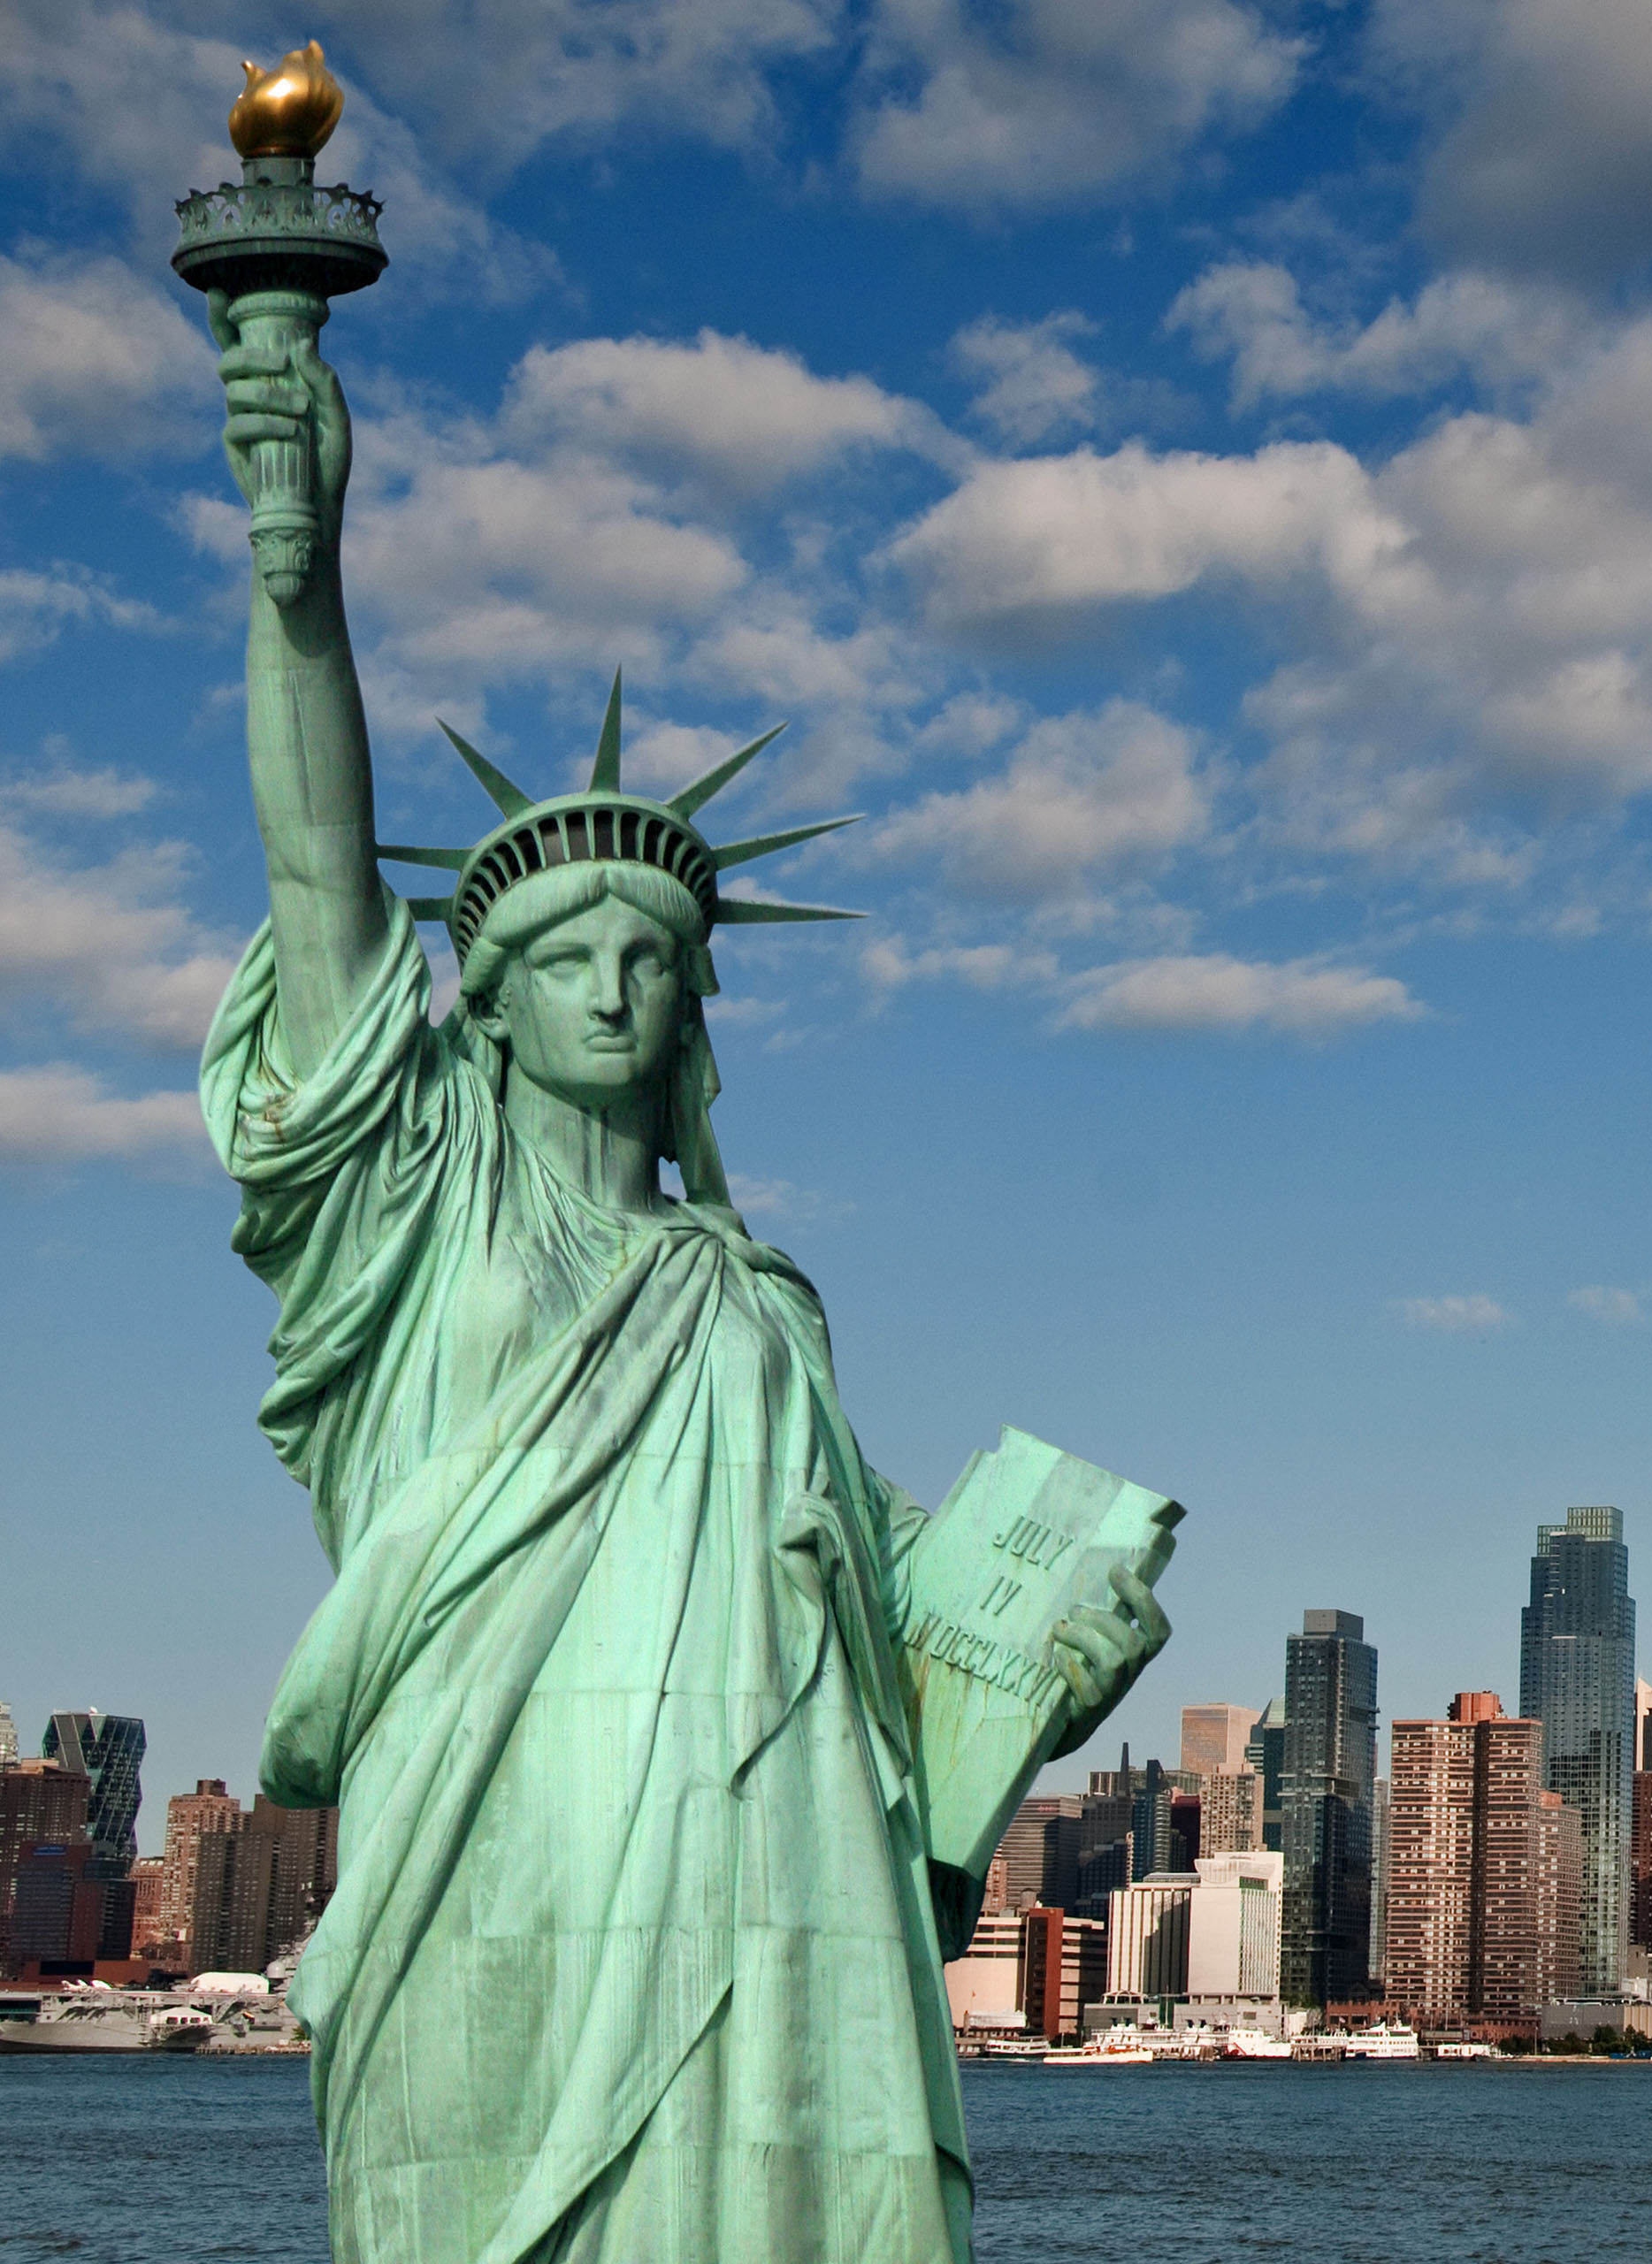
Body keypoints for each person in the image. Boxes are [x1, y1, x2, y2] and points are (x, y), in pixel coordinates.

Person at [201, 299, 1155, 2262]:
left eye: (650, 954)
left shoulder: (751, 1301)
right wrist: (296, 576)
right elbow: (316, 876)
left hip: (757, 1873)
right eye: (565, 957)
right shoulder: (421, 1199)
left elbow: (870, 1586)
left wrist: (1054, 1652)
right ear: (488, 1002)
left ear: (691, 1005)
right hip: (489, 1839)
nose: (615, 987)